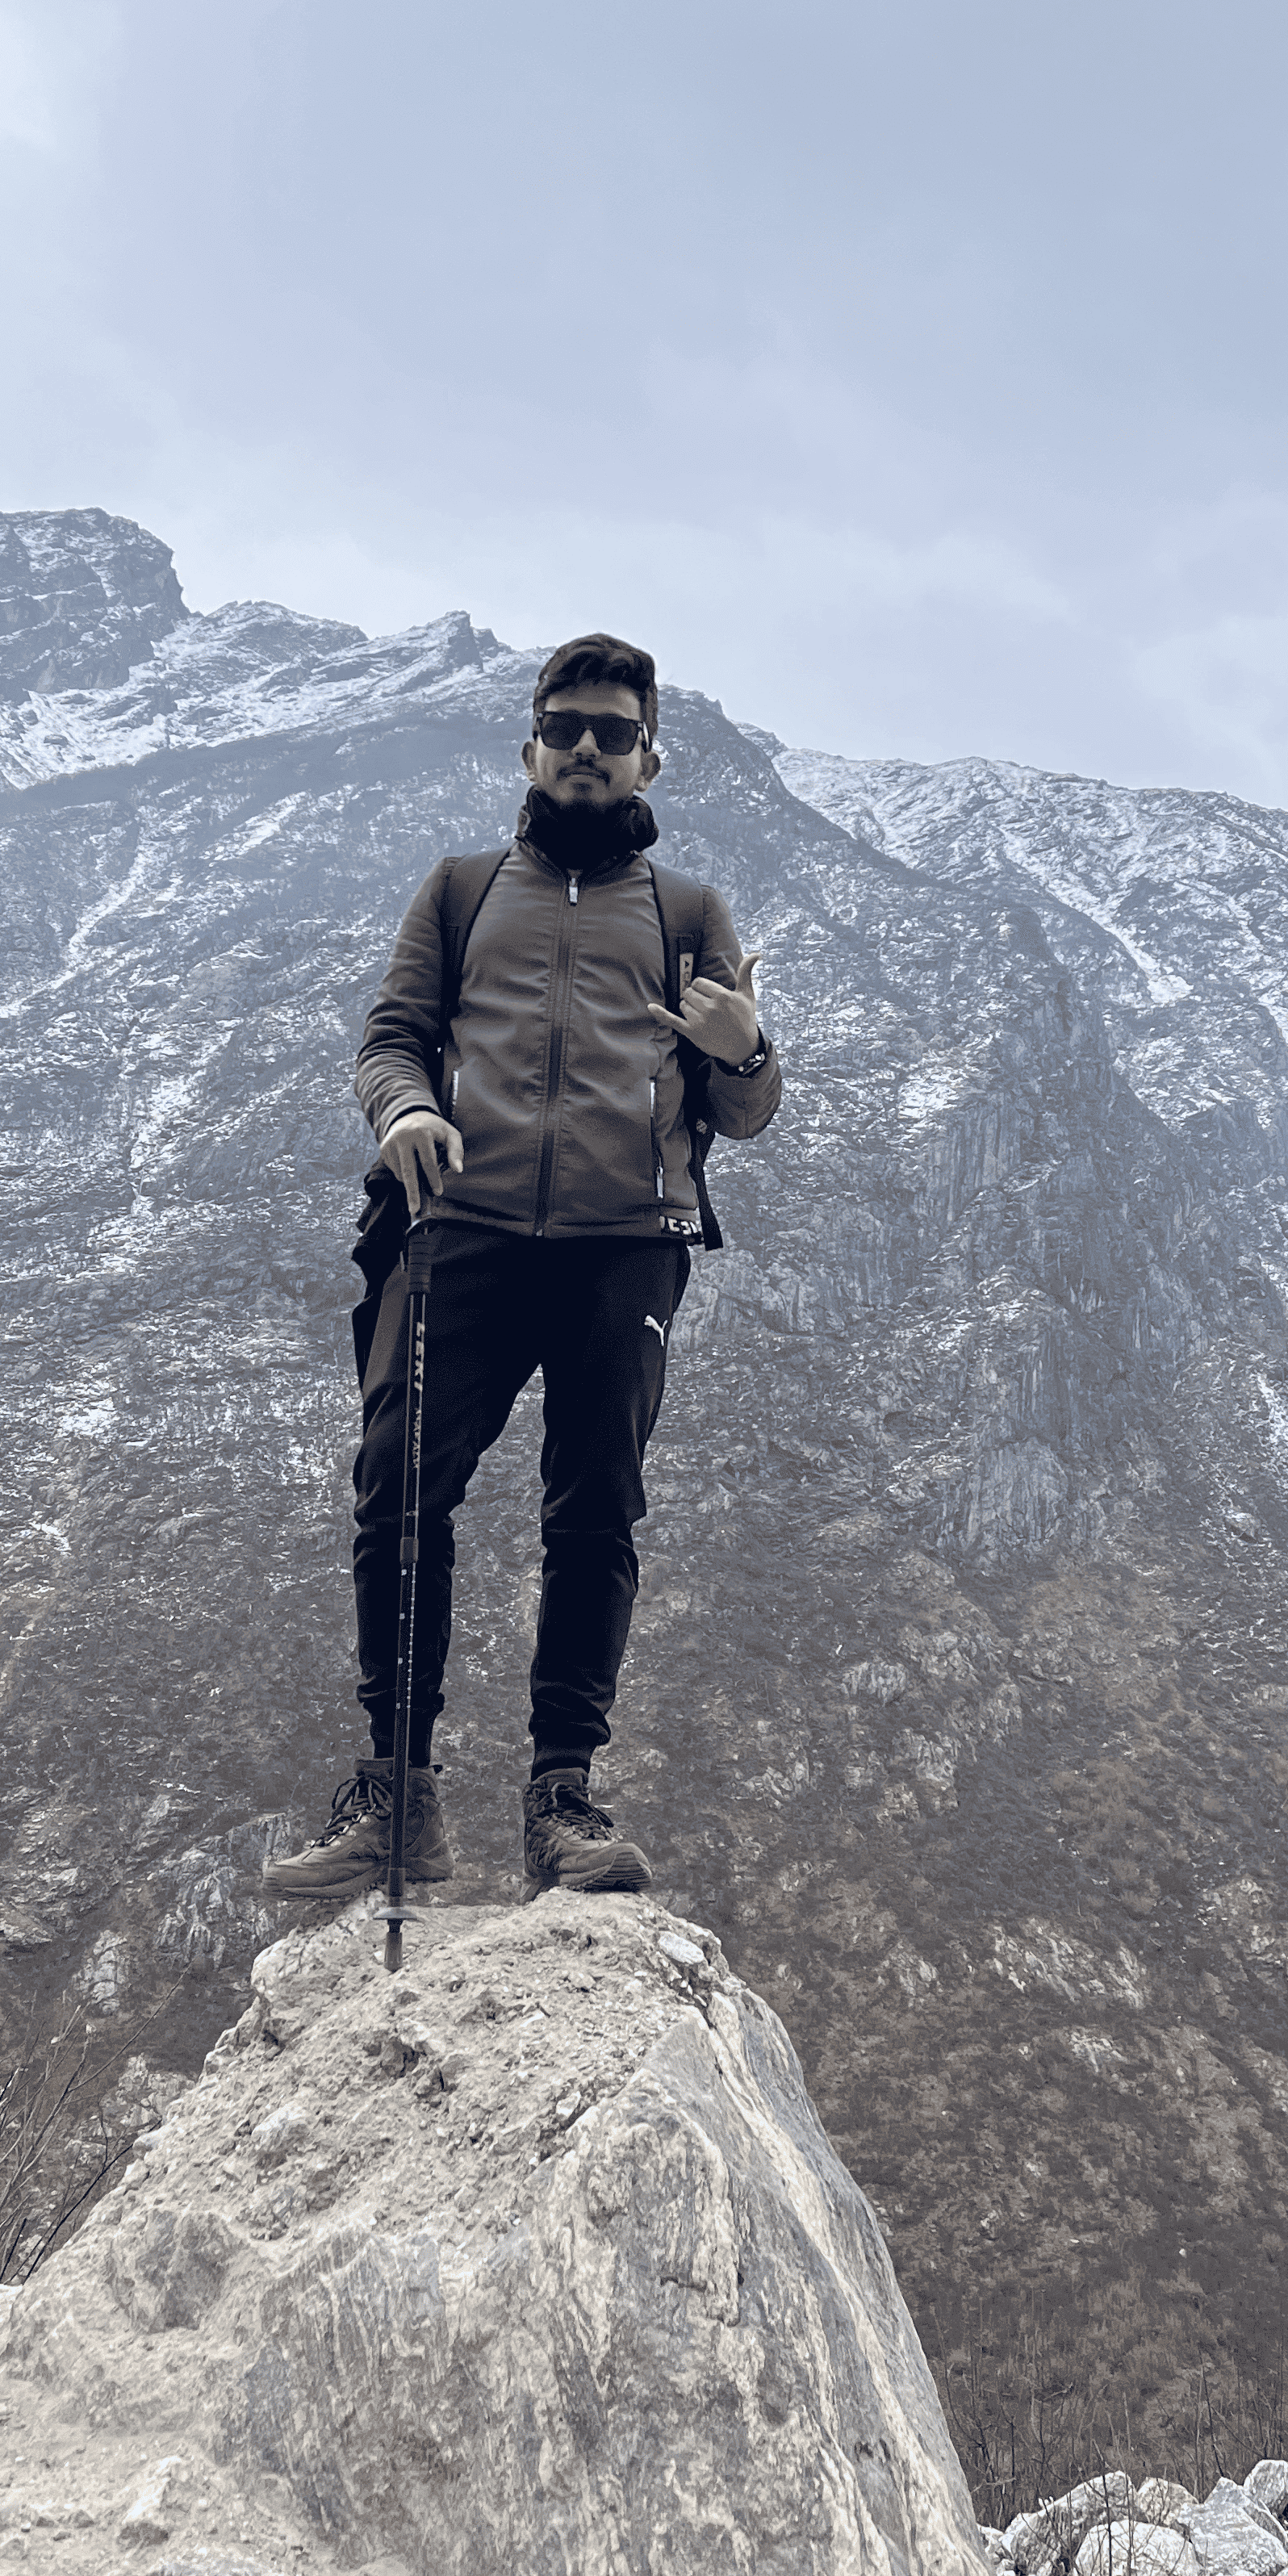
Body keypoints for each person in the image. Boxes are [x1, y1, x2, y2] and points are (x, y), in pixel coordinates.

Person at [260, 632, 783, 1912]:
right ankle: (398, 1797)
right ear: (531, 747)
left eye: (614, 732)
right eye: (566, 728)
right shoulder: (458, 892)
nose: (587, 749)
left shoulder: (690, 916)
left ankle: (563, 1801)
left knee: (595, 1513)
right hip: (462, 1229)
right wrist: (403, 1113)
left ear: (651, 756)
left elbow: (748, 1112)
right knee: (398, 1487)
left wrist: (745, 1047)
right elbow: (393, 1038)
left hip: (627, 1248)